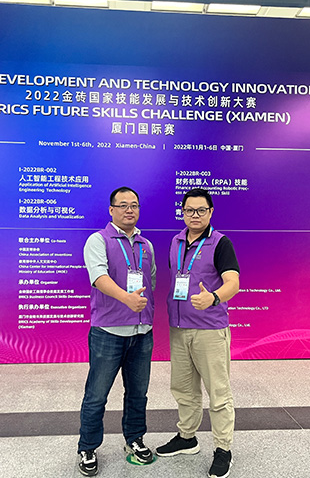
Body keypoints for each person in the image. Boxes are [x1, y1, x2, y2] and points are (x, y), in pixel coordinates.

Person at [156, 188, 240, 478]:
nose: (195, 215)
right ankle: (187, 438)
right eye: (189, 210)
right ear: (182, 212)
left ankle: (223, 449)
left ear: (210, 212)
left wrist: (213, 297)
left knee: (218, 392)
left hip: (209, 331)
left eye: (201, 210)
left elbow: (233, 282)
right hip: (179, 329)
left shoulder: (221, 243)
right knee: (183, 389)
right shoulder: (176, 242)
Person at [77, 186, 156, 476]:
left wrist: (143, 311)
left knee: (138, 393)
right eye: (123, 205)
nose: (129, 210)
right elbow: (99, 277)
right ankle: (87, 447)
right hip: (108, 332)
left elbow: (151, 280)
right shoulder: (98, 240)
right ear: (111, 210)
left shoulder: (146, 245)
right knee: (97, 394)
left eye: (134, 205)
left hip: (142, 332)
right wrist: (126, 299)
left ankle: (134, 439)